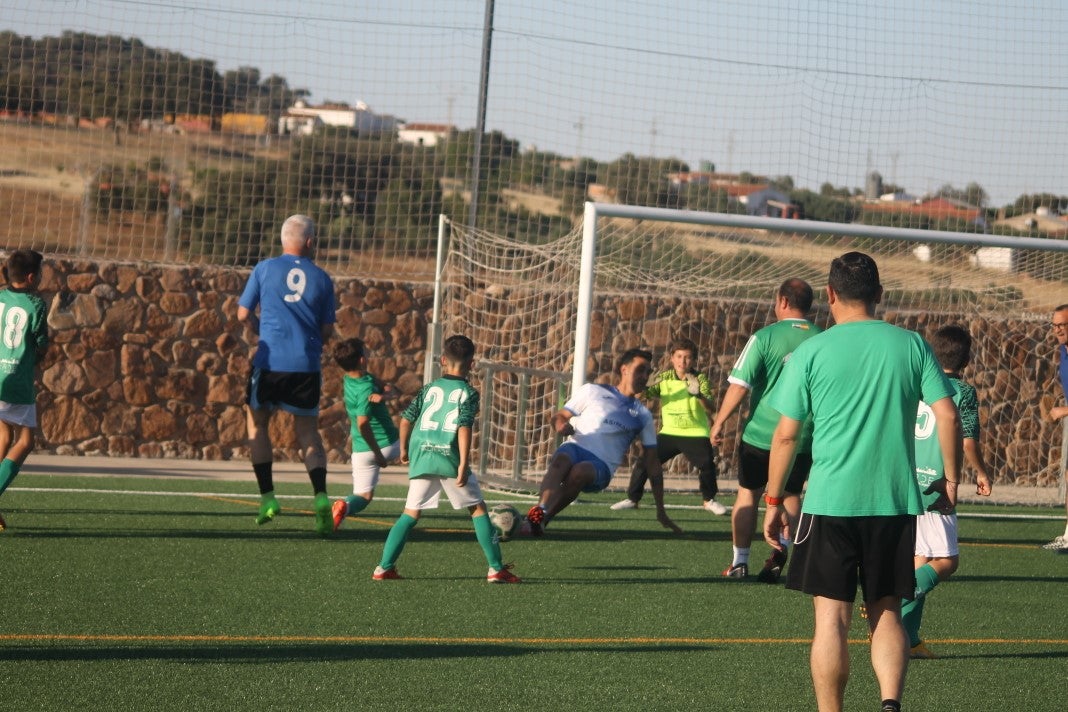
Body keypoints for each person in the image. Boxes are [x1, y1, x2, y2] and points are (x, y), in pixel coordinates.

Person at [761, 252, 961, 712]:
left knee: (831, 618)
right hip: (892, 502)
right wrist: (952, 479)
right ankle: (890, 703)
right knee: (887, 609)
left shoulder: (812, 349)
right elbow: (947, 413)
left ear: (829, 295)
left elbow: (787, 433)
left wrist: (774, 499)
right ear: (879, 295)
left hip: (830, 502)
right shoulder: (911, 344)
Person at [372, 334, 520, 583]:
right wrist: (463, 463)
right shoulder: (468, 393)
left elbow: (407, 418)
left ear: (442, 360)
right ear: (472, 364)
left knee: (410, 513)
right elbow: (463, 427)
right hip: (448, 456)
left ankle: (384, 567)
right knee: (477, 509)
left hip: (423, 454)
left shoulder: (429, 389)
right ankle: (496, 568)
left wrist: (405, 449)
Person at [709, 278, 822, 581]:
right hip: (802, 436)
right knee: (792, 497)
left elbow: (739, 385)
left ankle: (739, 563)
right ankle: (797, 562)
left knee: (748, 495)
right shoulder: (822, 338)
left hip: (761, 435)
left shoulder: (765, 337)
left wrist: (719, 422)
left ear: (783, 301)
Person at [237, 214, 337, 535]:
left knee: (257, 425)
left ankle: (268, 497)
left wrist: (259, 332)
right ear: (309, 242)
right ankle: (320, 496)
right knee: (308, 433)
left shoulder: (264, 269)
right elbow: (327, 329)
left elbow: (242, 314)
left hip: (269, 363)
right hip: (305, 365)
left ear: (283, 240)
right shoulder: (322, 278)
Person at [904, 325, 993, 660]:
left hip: (910, 480)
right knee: (947, 561)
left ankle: (910, 640)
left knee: (921, 559)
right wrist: (981, 473)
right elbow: (967, 440)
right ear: (967, 360)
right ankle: (894, 599)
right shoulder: (962, 392)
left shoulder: (917, 384)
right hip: (939, 485)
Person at [525, 347, 681, 536]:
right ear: (624, 369)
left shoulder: (643, 415)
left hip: (601, 465)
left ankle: (543, 519)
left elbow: (652, 463)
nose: (645, 376)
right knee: (561, 461)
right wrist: (560, 425)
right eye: (640, 369)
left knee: (579, 472)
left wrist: (661, 510)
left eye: (648, 372)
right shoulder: (593, 391)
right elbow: (560, 416)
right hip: (575, 446)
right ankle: (537, 516)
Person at [610, 338, 726, 515]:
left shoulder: (700, 378)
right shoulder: (662, 378)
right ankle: (633, 499)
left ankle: (709, 500)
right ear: (672, 358)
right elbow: (640, 397)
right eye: (679, 356)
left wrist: (698, 395)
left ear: (693, 360)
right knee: (644, 461)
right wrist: (645, 385)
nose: (683, 361)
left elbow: (711, 408)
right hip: (669, 432)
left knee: (707, 465)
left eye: (687, 357)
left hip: (695, 432)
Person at [0, 250, 49, 533]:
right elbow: (40, 341)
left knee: (4, 435)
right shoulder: (35, 304)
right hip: (17, 381)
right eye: (40, 273)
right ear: (31, 278)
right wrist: (38, 355)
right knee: (26, 441)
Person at [330, 337, 399, 532]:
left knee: (363, 496)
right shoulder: (366, 387)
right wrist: (378, 454)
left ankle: (344, 506)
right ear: (361, 359)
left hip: (360, 450)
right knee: (421, 445)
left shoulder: (351, 379)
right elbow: (362, 423)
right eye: (365, 352)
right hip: (387, 444)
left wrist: (384, 395)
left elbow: (392, 391)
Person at [1043, 304, 1068, 552]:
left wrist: (1063, 410)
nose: (1057, 329)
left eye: (1062, 324)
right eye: (1055, 325)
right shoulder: (1063, 350)